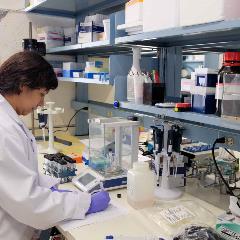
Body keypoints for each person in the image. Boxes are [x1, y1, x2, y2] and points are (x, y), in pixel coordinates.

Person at [0, 51, 110, 240]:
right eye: (41, 94)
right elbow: (29, 203)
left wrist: (52, 188)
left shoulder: (8, 119)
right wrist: (84, 203)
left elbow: (19, 176)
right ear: (23, 86)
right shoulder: (4, 129)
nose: (41, 103)